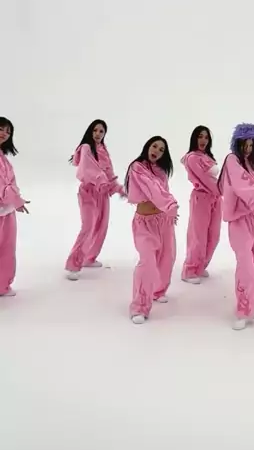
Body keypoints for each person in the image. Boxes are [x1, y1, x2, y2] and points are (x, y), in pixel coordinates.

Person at [218, 123, 254, 330]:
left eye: (251, 145)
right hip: (240, 220)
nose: (248, 149)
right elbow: (243, 188)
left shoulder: (251, 163)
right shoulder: (232, 160)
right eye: (244, 145)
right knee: (246, 264)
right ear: (237, 143)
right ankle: (244, 309)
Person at [125, 136, 178, 324]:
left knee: (167, 258)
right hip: (144, 224)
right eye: (155, 146)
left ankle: (158, 291)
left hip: (163, 221)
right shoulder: (137, 167)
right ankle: (139, 307)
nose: (157, 151)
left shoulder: (161, 172)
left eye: (161, 150)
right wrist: (170, 204)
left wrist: (169, 211)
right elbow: (153, 189)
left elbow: (163, 190)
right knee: (147, 262)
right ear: (148, 146)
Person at [65, 120, 125, 280]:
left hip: (102, 194)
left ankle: (89, 258)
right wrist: (102, 181)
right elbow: (87, 169)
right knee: (88, 226)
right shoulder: (86, 148)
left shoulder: (103, 150)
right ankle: (73, 265)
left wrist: (119, 189)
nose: (98, 134)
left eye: (101, 131)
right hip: (88, 192)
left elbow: (109, 173)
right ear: (90, 132)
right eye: (95, 130)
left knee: (100, 226)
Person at [181, 125, 222, 284]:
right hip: (201, 198)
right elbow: (206, 180)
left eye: (206, 137)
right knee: (198, 236)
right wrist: (224, 190)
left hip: (215, 199)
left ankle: (200, 266)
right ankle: (189, 270)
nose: (203, 140)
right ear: (194, 138)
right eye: (200, 136)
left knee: (214, 235)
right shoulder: (192, 158)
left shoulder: (207, 156)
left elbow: (215, 180)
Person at [0, 117, 29, 297]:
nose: (4, 134)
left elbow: (10, 183)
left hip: (7, 210)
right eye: (1, 129)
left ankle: (2, 285)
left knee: (7, 249)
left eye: (8, 132)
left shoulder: (4, 159)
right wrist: (16, 200)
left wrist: (16, 200)